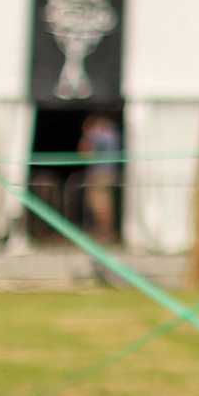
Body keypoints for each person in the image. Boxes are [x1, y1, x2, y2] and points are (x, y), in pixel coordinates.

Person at [79, 112, 121, 282]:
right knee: (106, 203)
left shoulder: (98, 135)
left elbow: (85, 152)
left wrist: (86, 137)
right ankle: (107, 232)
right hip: (109, 173)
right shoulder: (113, 134)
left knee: (99, 203)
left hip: (99, 173)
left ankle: (103, 233)